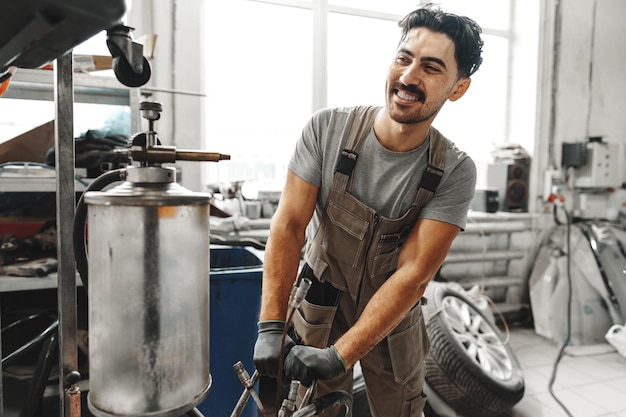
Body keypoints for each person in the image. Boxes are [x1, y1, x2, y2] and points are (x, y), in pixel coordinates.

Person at [253, 4, 484, 416]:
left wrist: (341, 356)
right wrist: (271, 325)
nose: (409, 77)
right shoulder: (326, 131)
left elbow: (414, 274)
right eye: (404, 58)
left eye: (431, 68)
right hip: (317, 306)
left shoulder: (455, 170)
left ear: (458, 88)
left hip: (394, 321)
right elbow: (288, 226)